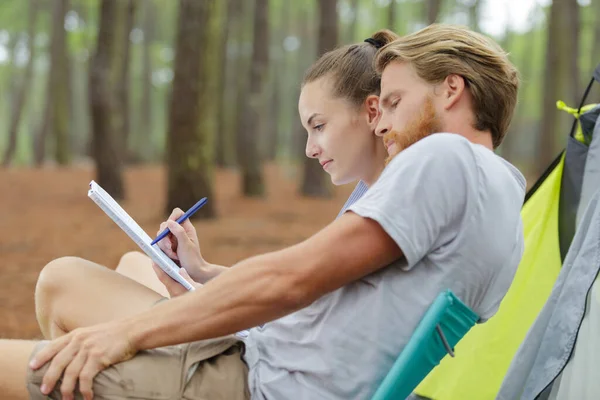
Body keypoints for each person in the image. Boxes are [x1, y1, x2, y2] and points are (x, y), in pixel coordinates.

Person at [0, 24, 524, 400]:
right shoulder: (505, 200)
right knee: (111, 275)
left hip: (254, 380)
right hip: (271, 362)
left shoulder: (446, 157)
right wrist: (202, 278)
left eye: (392, 102)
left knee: (54, 297)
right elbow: (341, 304)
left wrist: (124, 335)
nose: (381, 122)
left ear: (451, 88)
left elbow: (291, 280)